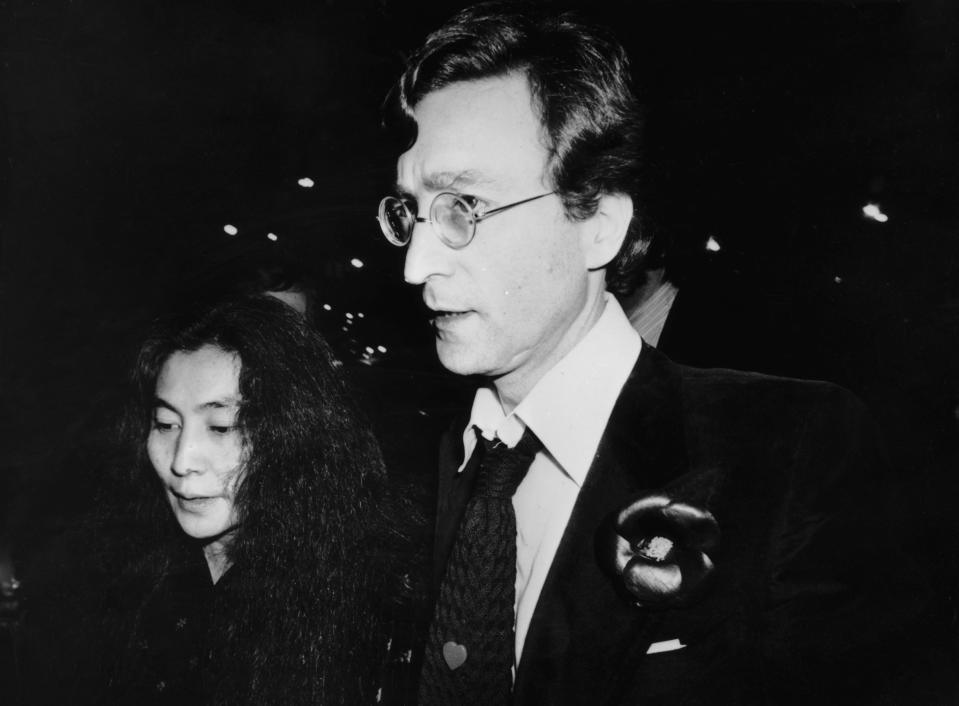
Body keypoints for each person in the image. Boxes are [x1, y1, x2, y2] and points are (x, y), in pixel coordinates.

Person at [376, 3, 923, 704]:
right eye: (409, 212)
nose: (415, 265)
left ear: (598, 227)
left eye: (464, 207)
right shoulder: (419, 464)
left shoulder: (787, 452)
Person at [20, 296, 395, 705]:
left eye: (220, 427)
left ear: (294, 436)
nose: (181, 460)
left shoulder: (362, 592)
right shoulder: (108, 569)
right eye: (165, 423)